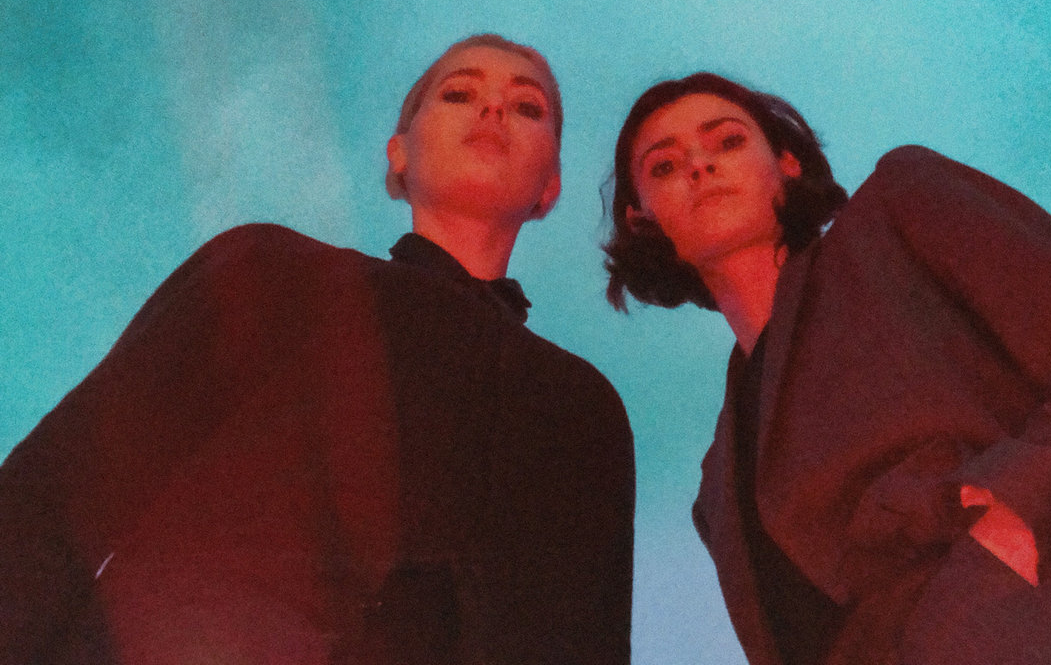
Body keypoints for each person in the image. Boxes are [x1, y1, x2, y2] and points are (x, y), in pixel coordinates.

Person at [1, 34, 635, 665]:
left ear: (550, 183)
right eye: (458, 93)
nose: (492, 109)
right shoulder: (267, 274)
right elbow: (54, 497)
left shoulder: (579, 408)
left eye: (527, 107)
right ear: (399, 152)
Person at [603, 71, 1051, 665]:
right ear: (642, 219)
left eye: (728, 141)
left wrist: (1012, 515)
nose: (700, 167)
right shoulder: (717, 487)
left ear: (787, 164)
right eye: (664, 166)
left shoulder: (895, 212)